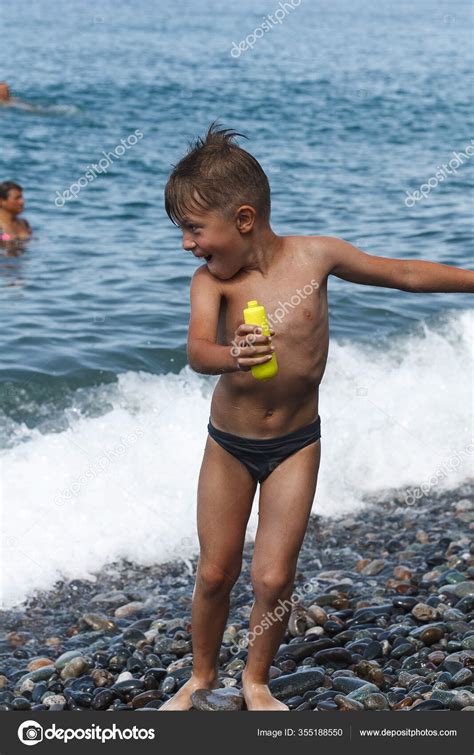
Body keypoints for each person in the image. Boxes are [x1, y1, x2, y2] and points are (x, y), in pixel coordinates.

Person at [159, 123, 474, 711]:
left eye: (195, 229)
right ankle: (201, 677)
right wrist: (233, 354)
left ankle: (255, 681)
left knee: (274, 580)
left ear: (244, 219)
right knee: (215, 573)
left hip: (297, 445)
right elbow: (198, 351)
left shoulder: (317, 257)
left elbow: (402, 274)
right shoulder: (211, 283)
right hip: (229, 445)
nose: (187, 244)